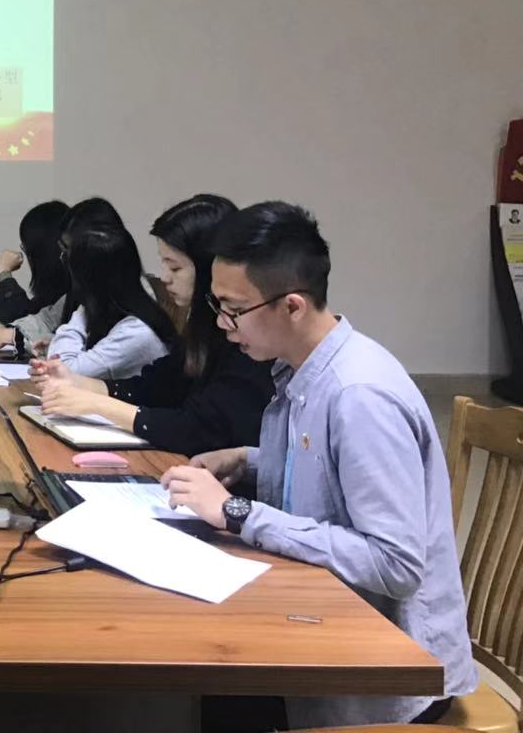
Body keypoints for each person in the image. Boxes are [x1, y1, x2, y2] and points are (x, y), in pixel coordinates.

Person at [161, 202, 476, 730]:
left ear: (292, 306)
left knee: (212, 690)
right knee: (206, 677)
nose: (221, 323)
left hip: (389, 676)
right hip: (327, 619)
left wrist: (238, 512)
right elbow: (331, 475)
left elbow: (395, 564)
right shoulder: (302, 368)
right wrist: (250, 460)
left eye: (233, 309)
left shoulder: (359, 396)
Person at [30, 194, 273, 456]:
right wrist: (77, 382)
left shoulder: (247, 338)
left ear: (208, 269)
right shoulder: (203, 329)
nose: (165, 278)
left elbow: (199, 427)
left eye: (175, 268)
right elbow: (158, 385)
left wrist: (96, 404)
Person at [35, 224, 175, 380]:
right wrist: (57, 344)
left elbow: (64, 371)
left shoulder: (136, 333)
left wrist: (84, 306)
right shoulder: (123, 311)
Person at [0, 200, 70, 354]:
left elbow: (21, 313)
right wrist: (12, 334)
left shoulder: (82, 284)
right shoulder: (66, 292)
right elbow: (44, 319)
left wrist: (4, 272)